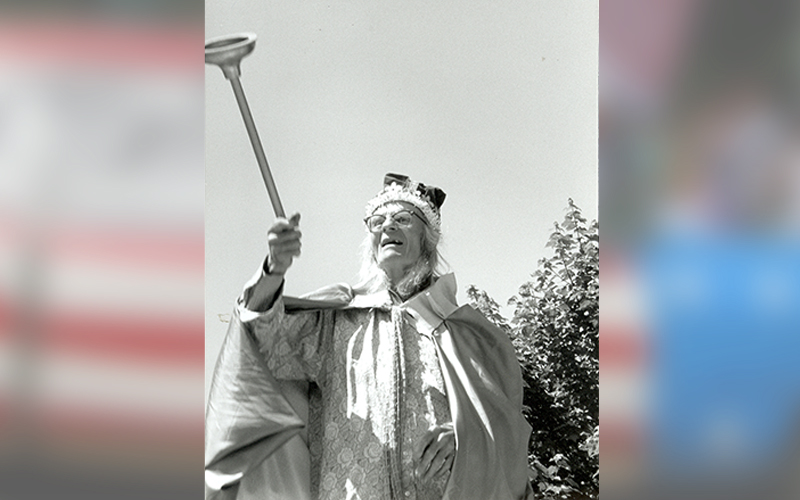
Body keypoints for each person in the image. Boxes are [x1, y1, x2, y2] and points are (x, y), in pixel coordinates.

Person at [205, 174, 533, 500]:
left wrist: (468, 437)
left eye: (403, 218)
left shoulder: (467, 334)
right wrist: (273, 270)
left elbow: (508, 430)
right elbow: (257, 338)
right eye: (378, 221)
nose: (388, 226)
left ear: (428, 241)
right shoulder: (335, 322)